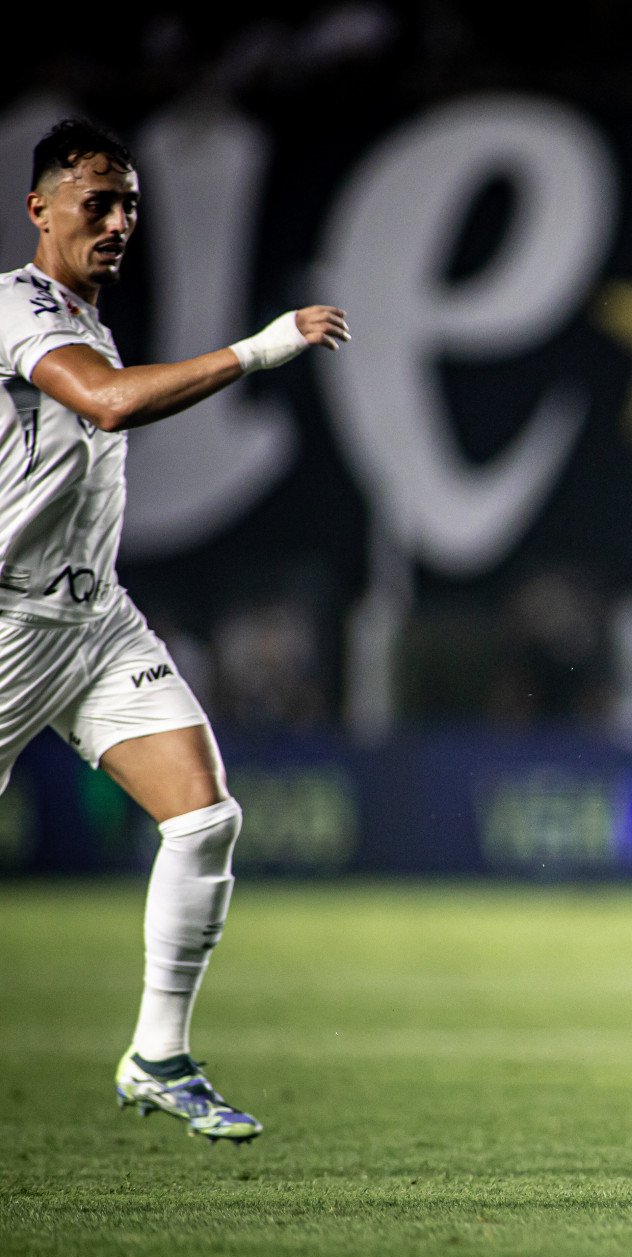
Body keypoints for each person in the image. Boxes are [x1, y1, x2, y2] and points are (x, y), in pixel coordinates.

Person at [0, 119, 349, 1143]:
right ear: (39, 208)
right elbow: (104, 406)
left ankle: (159, 1055)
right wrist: (260, 347)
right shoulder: (18, 307)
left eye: (129, 205)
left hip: (91, 615)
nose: (117, 222)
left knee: (204, 819)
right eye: (95, 202)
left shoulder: (84, 316)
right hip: (10, 620)